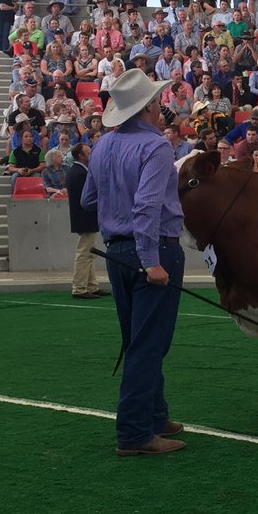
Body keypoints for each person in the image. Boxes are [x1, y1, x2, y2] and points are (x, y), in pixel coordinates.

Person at [81, 67, 187, 456]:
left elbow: (89, 201)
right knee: (149, 343)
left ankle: (155, 414)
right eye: (158, 102)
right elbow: (146, 207)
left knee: (138, 339)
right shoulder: (157, 146)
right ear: (149, 107)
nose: (162, 109)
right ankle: (135, 432)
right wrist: (152, 260)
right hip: (153, 249)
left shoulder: (103, 146)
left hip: (116, 251)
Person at [65, 142, 106, 300]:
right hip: (85, 218)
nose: (91, 156)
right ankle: (80, 287)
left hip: (84, 218)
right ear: (81, 156)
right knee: (84, 253)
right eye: (88, 153)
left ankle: (90, 285)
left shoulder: (76, 171)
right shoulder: (80, 173)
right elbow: (87, 198)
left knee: (88, 253)